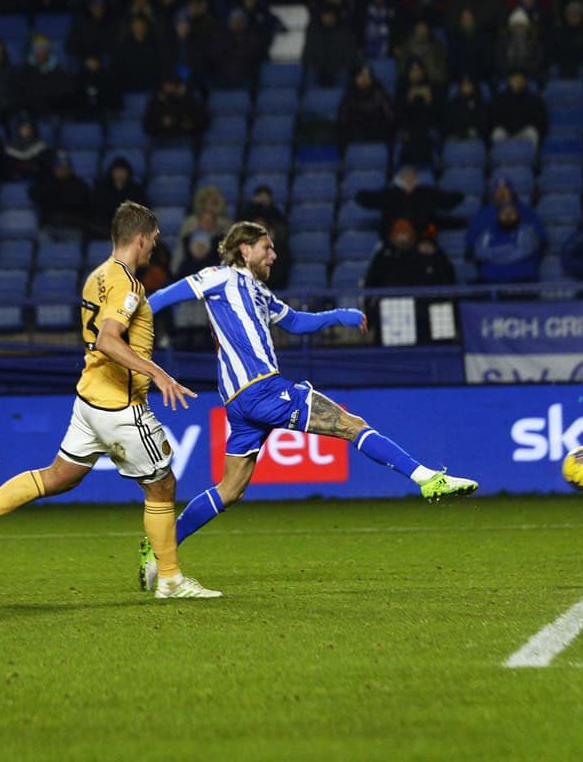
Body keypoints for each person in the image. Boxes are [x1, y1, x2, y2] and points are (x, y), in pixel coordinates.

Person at [138, 221, 478, 589]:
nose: (274, 255)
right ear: (244, 250)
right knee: (351, 424)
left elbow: (297, 323)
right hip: (261, 390)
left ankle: (159, 546)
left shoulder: (259, 293)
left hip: (240, 402)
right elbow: (161, 298)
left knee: (230, 489)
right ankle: (427, 478)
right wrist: (126, 325)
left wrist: (339, 316)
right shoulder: (217, 276)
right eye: (266, 248)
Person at [0, 202, 218, 599]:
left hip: (89, 400)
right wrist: (159, 373)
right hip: (120, 406)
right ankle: (169, 579)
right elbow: (107, 339)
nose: (155, 247)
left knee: (56, 477)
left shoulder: (95, 277)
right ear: (140, 238)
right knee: (162, 485)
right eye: (153, 240)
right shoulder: (128, 285)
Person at [488, 68, 548, 148]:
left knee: (532, 132)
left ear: (525, 81)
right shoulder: (500, 99)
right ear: (509, 80)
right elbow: (494, 118)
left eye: (520, 78)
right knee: (497, 133)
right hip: (506, 131)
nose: (517, 80)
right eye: (514, 78)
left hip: (524, 131)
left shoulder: (533, 99)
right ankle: (499, 158)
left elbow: (540, 120)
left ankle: (532, 158)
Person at [92, 156, 148, 231]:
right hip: (106, 229)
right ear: (112, 172)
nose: (120, 174)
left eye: (123, 171)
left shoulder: (136, 190)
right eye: (117, 171)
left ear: (128, 172)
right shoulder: (102, 190)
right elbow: (98, 212)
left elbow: (142, 210)